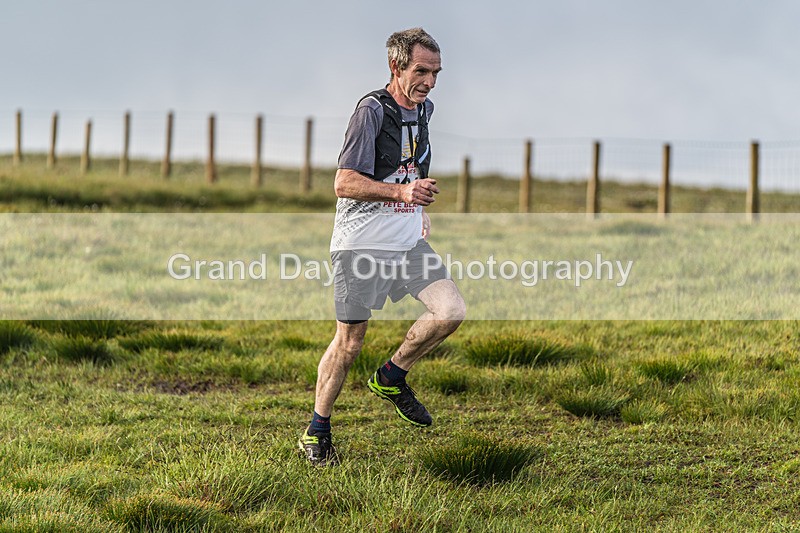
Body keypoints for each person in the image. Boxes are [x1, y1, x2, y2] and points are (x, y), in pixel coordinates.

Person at [298, 28, 466, 466]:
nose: (429, 81)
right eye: (421, 71)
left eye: (435, 73)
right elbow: (344, 183)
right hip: (360, 245)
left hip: (406, 241)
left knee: (450, 311)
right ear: (396, 66)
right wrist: (403, 196)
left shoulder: (425, 110)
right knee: (349, 343)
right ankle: (318, 431)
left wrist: (418, 206)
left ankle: (392, 375)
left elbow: (410, 171)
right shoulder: (371, 111)